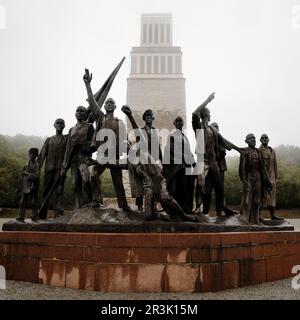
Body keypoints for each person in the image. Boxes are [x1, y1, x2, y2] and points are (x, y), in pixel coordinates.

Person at [122, 105, 197, 222]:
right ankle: (152, 211)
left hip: (157, 175)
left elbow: (155, 146)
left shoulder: (152, 136)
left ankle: (183, 215)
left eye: (149, 117)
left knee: (166, 197)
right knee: (148, 214)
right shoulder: (133, 159)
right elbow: (117, 164)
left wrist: (130, 115)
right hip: (149, 183)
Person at [83, 69, 131, 212]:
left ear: (115, 107)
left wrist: (127, 146)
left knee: (118, 181)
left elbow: (124, 139)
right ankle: (96, 200)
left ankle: (123, 205)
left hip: (115, 154)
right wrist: (88, 85)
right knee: (93, 175)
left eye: (112, 103)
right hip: (102, 153)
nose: (109, 104)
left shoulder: (120, 122)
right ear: (104, 106)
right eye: (107, 103)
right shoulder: (100, 117)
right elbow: (92, 102)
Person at [192, 92, 240, 216]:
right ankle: (204, 211)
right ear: (206, 115)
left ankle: (220, 210)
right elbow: (194, 113)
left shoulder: (213, 130)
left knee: (219, 188)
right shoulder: (199, 127)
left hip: (214, 164)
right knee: (204, 190)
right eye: (209, 113)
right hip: (204, 163)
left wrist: (238, 149)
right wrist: (207, 100)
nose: (210, 115)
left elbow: (224, 141)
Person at [62, 106, 94, 209]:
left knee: (86, 182)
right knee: (75, 185)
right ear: (75, 114)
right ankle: (77, 207)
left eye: (82, 111)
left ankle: (90, 203)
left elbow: (94, 144)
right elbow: (67, 148)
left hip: (84, 159)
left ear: (86, 114)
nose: (80, 113)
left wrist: (81, 144)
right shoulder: (71, 129)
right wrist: (65, 164)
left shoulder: (90, 127)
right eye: (78, 111)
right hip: (73, 161)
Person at [163, 116, 195, 214]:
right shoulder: (171, 136)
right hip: (179, 165)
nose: (179, 123)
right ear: (175, 124)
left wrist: (193, 161)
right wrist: (184, 156)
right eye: (177, 122)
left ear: (182, 124)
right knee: (180, 187)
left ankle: (187, 208)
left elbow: (189, 150)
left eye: (181, 122)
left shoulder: (184, 137)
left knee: (189, 186)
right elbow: (171, 150)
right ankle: (178, 208)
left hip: (187, 165)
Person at [37, 118, 68, 219]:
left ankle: (58, 215)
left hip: (60, 169)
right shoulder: (49, 140)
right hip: (49, 169)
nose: (59, 124)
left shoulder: (66, 139)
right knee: (45, 191)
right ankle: (42, 215)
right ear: (54, 125)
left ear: (64, 126)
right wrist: (37, 168)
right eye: (58, 123)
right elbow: (42, 155)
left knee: (59, 191)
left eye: (61, 123)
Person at [239, 133, 271, 224]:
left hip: (258, 177)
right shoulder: (244, 152)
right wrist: (243, 179)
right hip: (249, 176)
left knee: (257, 200)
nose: (253, 140)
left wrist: (267, 180)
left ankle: (256, 220)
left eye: (254, 138)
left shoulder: (258, 152)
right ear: (246, 141)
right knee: (247, 199)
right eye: (250, 138)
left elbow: (263, 168)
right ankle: (245, 219)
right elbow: (241, 167)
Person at [259, 134, 283, 221]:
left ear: (269, 139)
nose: (265, 139)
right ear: (260, 140)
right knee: (262, 196)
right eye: (263, 138)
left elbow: (275, 165)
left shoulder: (272, 150)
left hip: (272, 176)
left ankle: (273, 215)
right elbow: (260, 165)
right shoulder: (259, 150)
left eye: (266, 138)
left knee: (272, 197)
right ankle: (258, 216)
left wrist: (276, 177)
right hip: (263, 177)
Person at [16, 148, 40, 222]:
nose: (31, 155)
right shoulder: (25, 165)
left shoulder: (37, 165)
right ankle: (21, 216)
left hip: (34, 186)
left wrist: (28, 174)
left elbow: (37, 176)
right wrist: (18, 187)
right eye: (30, 154)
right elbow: (21, 177)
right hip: (25, 186)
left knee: (34, 202)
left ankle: (34, 217)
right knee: (22, 201)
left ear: (36, 156)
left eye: (33, 154)